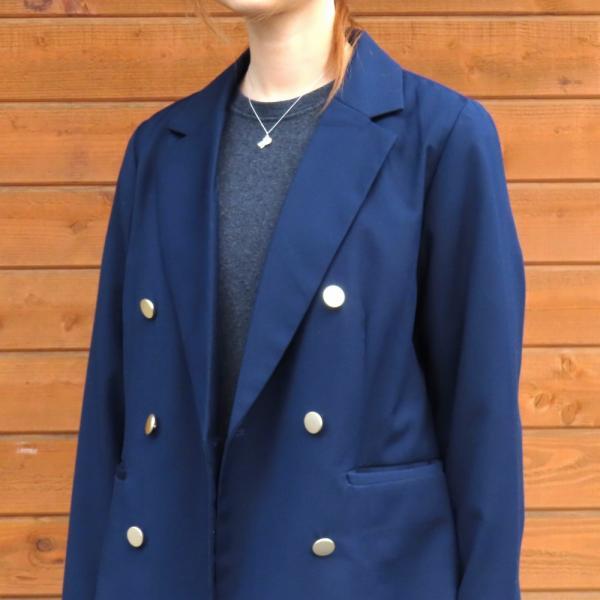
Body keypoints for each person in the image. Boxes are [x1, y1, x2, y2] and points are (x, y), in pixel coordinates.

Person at [62, 1, 526, 599]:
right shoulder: (160, 149)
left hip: (355, 579)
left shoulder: (439, 137)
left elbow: (482, 420)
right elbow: (111, 417)